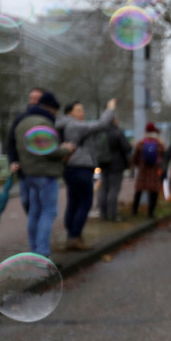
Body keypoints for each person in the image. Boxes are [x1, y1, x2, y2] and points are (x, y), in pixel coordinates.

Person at [14, 92, 75, 256]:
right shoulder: (44, 123)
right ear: (50, 108)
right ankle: (42, 252)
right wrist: (66, 149)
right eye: (55, 111)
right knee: (48, 212)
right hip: (45, 174)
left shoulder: (22, 122)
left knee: (34, 212)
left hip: (29, 173)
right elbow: (49, 151)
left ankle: (34, 250)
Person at [56, 98, 116, 250]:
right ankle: (75, 237)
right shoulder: (74, 125)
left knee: (73, 202)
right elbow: (101, 124)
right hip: (80, 167)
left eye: (82, 110)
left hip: (69, 167)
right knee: (85, 202)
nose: (82, 113)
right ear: (70, 113)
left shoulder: (64, 124)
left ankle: (72, 236)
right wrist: (110, 109)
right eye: (79, 110)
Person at [7, 86, 45, 214]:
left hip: (41, 169)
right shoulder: (20, 119)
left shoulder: (48, 120)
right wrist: (13, 161)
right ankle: (35, 226)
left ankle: (38, 229)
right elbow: (11, 141)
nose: (33, 101)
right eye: (32, 98)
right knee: (26, 201)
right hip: (24, 168)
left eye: (37, 98)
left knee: (39, 202)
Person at [97, 116, 131, 222]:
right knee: (113, 190)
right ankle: (112, 214)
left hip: (102, 163)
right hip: (116, 164)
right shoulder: (117, 132)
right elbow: (127, 147)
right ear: (114, 120)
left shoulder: (100, 132)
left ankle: (103, 213)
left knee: (103, 189)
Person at [131, 122, 165, 218]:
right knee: (153, 192)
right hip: (154, 170)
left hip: (143, 170)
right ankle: (150, 213)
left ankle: (134, 211)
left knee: (139, 191)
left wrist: (138, 164)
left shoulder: (141, 143)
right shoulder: (159, 143)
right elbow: (164, 155)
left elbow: (134, 157)